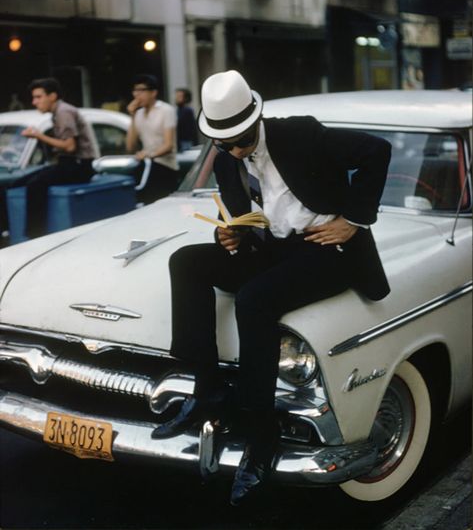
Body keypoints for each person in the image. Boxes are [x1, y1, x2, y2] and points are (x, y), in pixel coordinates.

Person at [153, 70, 392, 506]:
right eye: (225, 143)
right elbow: (246, 217)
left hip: (328, 252)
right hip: (274, 249)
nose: (236, 150)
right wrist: (230, 236)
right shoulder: (226, 157)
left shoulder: (301, 133)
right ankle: (206, 388)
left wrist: (353, 220)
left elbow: (377, 150)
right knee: (185, 262)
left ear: (255, 120)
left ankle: (260, 435)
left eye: (242, 140)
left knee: (254, 300)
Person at [3, 78, 99, 239]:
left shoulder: (64, 112)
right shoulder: (56, 113)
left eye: (38, 97)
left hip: (79, 166)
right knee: (17, 183)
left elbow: (69, 146)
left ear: (52, 96)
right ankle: (11, 230)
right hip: (68, 164)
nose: (34, 102)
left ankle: (35, 235)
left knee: (36, 185)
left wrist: (38, 135)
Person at [126, 74, 178, 204]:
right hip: (147, 166)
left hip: (165, 166)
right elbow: (130, 146)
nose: (137, 95)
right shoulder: (138, 113)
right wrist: (132, 116)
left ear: (153, 92)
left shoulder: (166, 110)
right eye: (135, 91)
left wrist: (149, 155)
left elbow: (168, 145)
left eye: (141, 90)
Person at [175, 87, 198, 152]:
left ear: (185, 98)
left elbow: (192, 129)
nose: (176, 98)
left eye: (179, 96)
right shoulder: (178, 110)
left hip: (186, 142)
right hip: (180, 142)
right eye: (176, 96)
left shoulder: (187, 110)